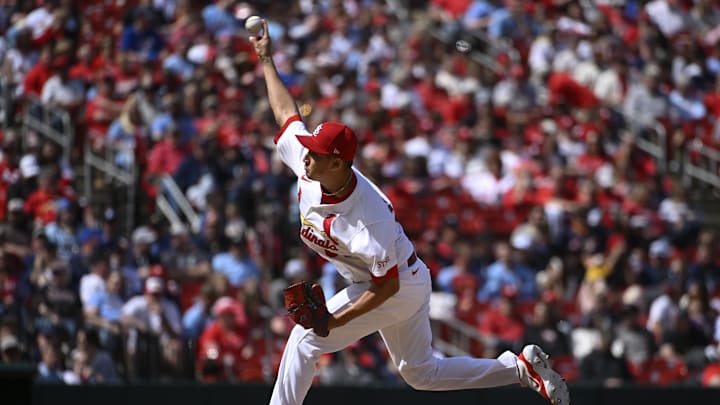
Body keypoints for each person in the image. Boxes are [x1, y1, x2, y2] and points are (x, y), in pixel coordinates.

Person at [248, 19, 569, 405]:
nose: (307, 154)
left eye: (316, 151)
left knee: (305, 339)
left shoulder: (370, 220)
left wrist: (334, 322)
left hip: (392, 285)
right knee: (421, 374)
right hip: (395, 277)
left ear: (337, 163)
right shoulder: (312, 165)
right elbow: (287, 116)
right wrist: (267, 60)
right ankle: (519, 368)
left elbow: (387, 286)